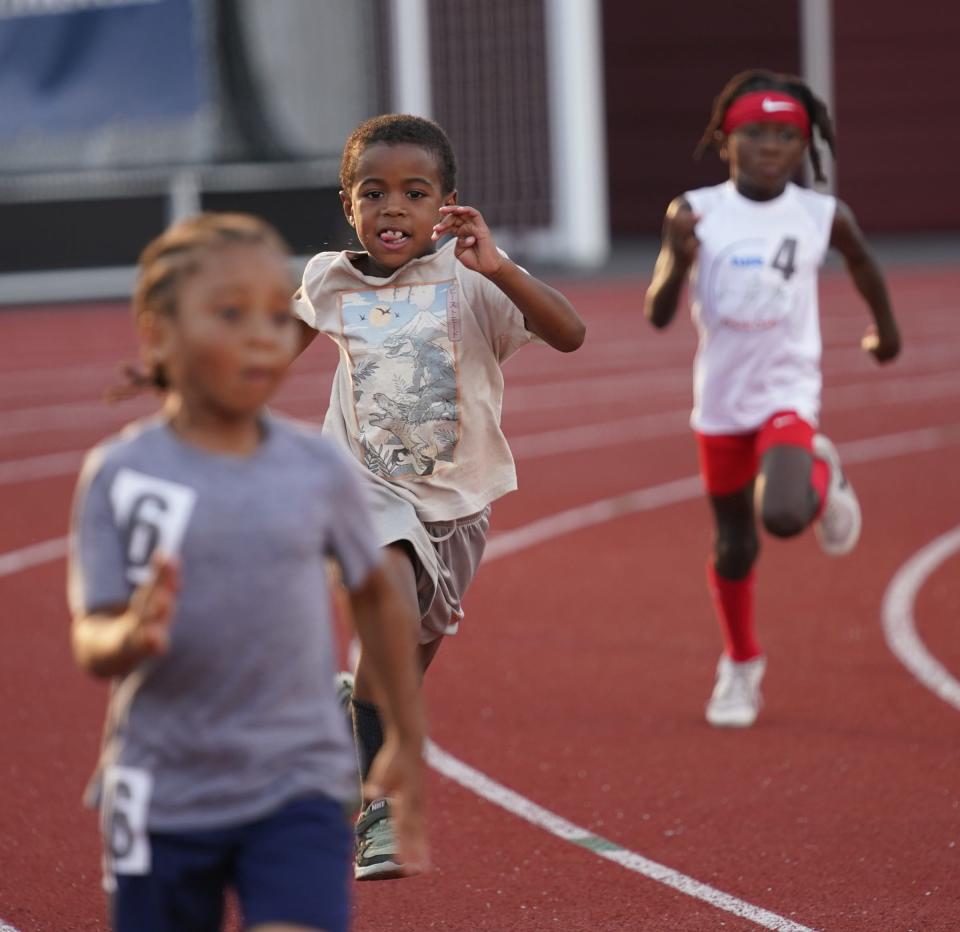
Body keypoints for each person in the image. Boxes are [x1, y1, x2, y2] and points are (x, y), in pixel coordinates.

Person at [68, 212, 427, 932]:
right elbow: (92, 639)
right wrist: (132, 635)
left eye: (275, 312)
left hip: (297, 783)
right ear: (159, 330)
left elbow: (378, 596)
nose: (264, 334)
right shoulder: (122, 475)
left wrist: (406, 744)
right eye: (231, 314)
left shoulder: (317, 467)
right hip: (162, 789)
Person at [293, 114, 586, 878]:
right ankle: (380, 812)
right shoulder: (330, 278)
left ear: (447, 204)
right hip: (361, 489)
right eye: (374, 192)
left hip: (457, 506)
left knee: (394, 678)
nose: (393, 208)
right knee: (385, 602)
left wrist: (502, 269)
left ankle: (348, 712)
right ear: (347, 202)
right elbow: (263, 353)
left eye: (414, 193)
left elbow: (570, 332)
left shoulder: (472, 278)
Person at [643, 69, 900, 729]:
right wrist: (675, 256)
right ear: (726, 139)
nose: (770, 147)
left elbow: (864, 262)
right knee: (733, 543)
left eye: (787, 136)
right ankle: (741, 663)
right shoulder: (696, 211)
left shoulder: (821, 215)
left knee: (783, 513)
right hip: (722, 399)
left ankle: (819, 469)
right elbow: (659, 312)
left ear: (805, 145)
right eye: (755, 133)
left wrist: (886, 332)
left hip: (788, 386)